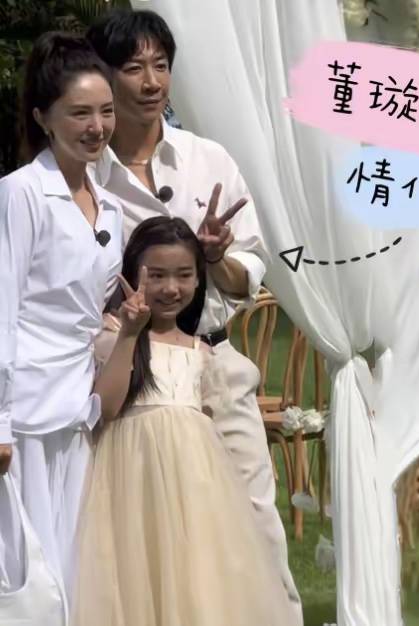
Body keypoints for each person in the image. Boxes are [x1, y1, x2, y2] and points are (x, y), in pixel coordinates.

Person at [85, 9, 301, 616]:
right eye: (134, 68)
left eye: (161, 66)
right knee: (136, 537)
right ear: (104, 75)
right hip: (127, 373)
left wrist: (214, 258)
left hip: (213, 357)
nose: (151, 82)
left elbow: (250, 274)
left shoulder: (209, 159)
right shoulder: (86, 175)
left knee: (255, 521)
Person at [72, 216, 297, 626]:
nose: (170, 288)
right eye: (156, 275)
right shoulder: (112, 336)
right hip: (130, 481)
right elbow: (106, 407)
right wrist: (129, 334)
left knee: (195, 575)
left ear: (198, 280)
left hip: (194, 488)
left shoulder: (201, 353)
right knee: (136, 574)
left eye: (183, 275)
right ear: (132, 274)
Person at [0, 32, 122, 605]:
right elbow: (4, 306)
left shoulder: (110, 205)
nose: (97, 126)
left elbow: (93, 310)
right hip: (24, 410)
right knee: (25, 573)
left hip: (77, 408)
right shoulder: (21, 193)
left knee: (71, 564)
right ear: (43, 118)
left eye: (106, 111)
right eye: (80, 113)